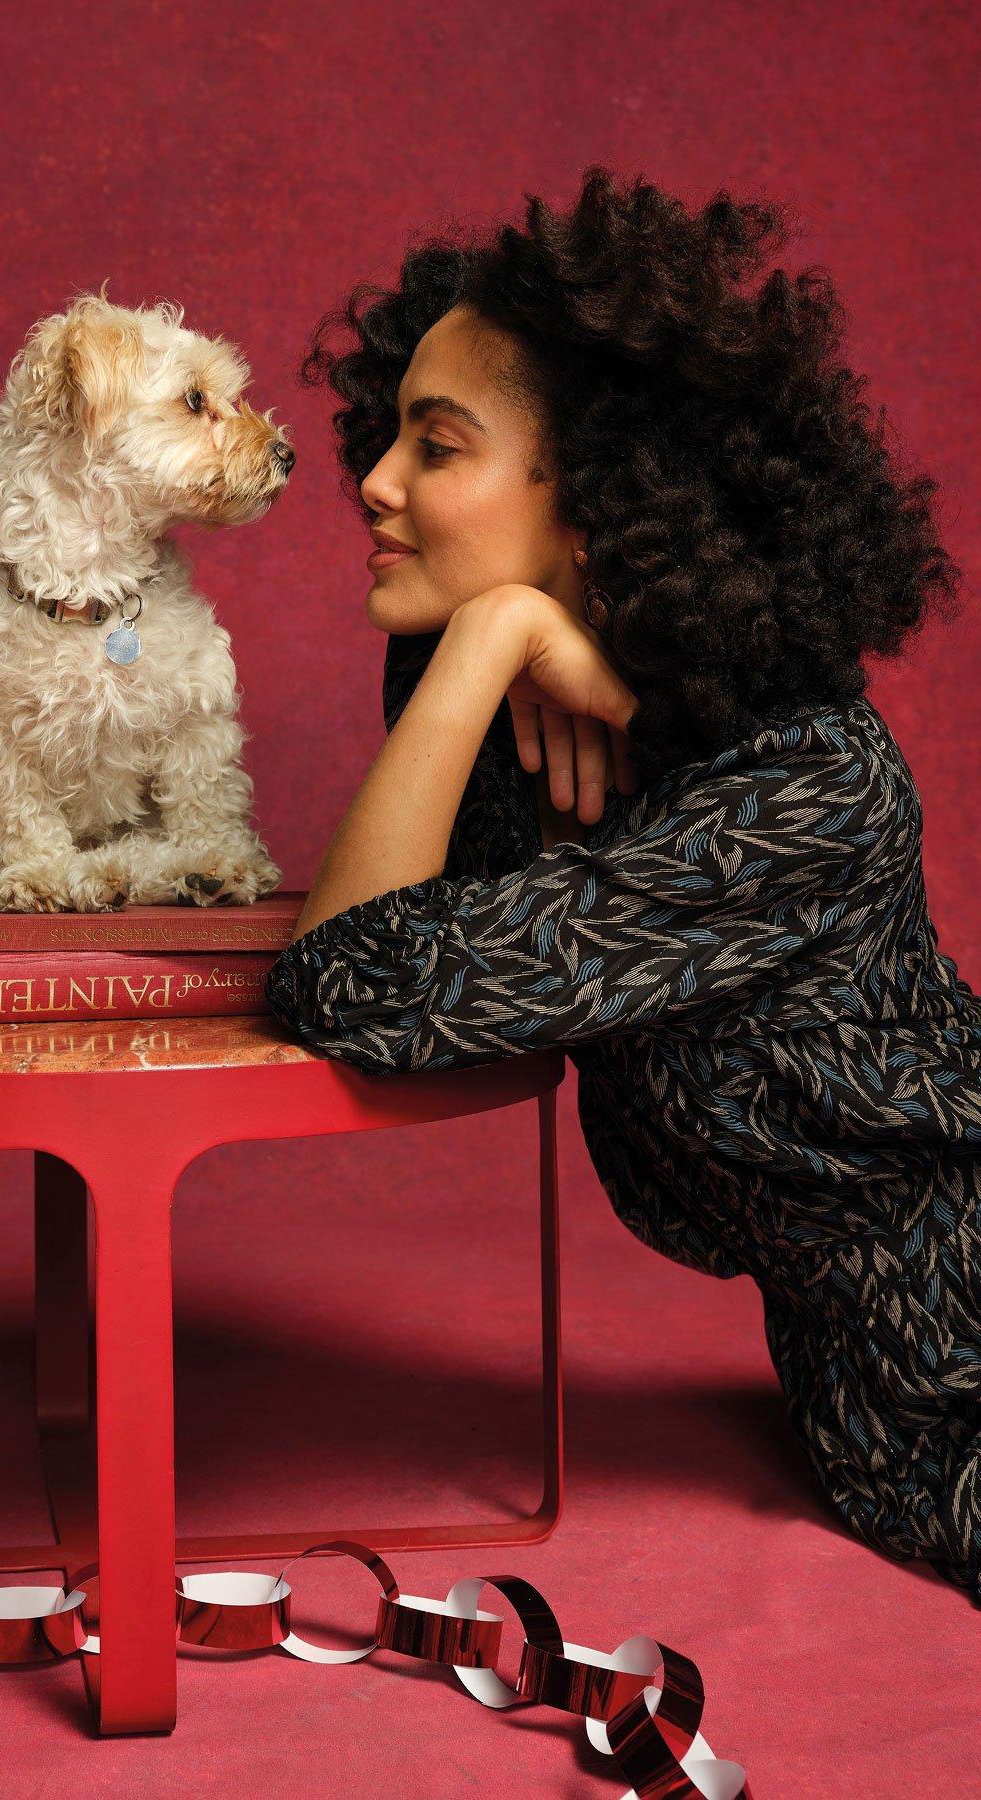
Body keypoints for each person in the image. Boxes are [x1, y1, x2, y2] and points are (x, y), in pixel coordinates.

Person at [263, 167, 981, 1605]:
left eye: (436, 444)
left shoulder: (802, 787)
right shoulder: (493, 717)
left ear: (595, 502)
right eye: (388, 434)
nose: (377, 482)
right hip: (872, 1388)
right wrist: (486, 649)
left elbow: (347, 983)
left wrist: (498, 630)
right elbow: (350, 975)